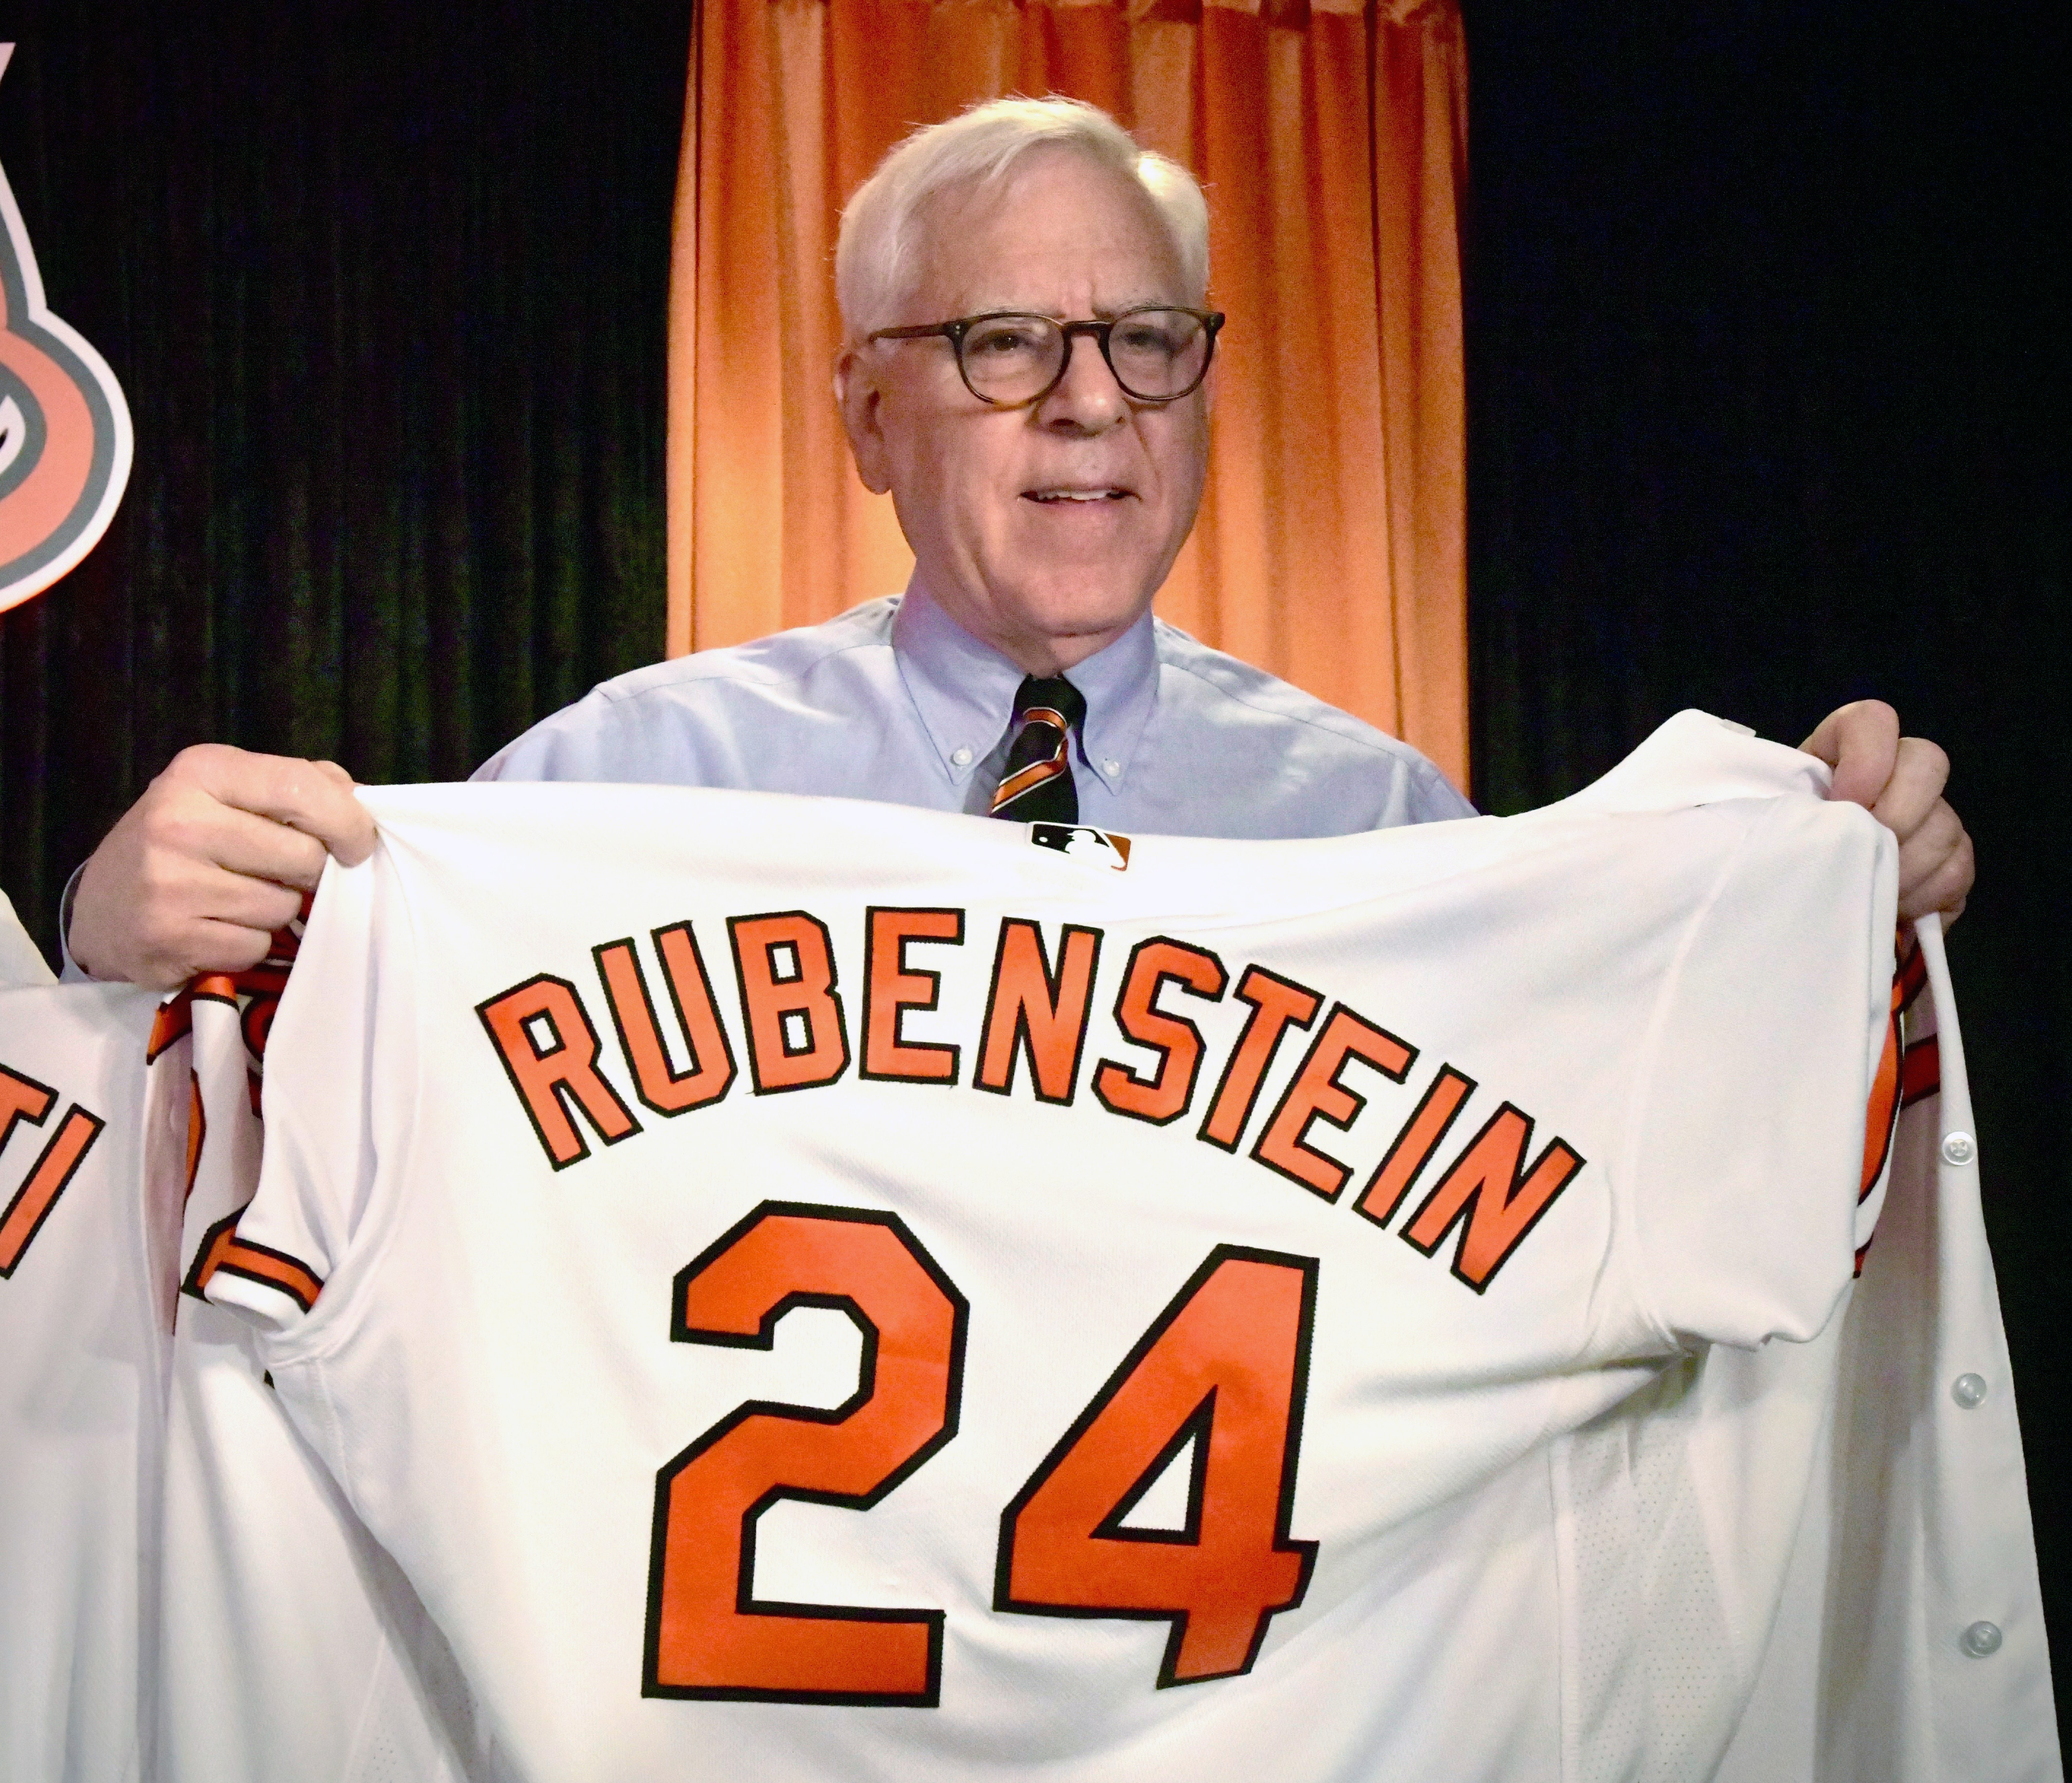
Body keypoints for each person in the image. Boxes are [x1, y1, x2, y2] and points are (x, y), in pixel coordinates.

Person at [63, 97, 1973, 990]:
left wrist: (1815, 923)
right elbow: (327, 1082)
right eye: (1002, 341)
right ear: (867, 415)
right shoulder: (625, 774)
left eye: (1148, 339)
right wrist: (120, 942)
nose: (1090, 402)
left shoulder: (1390, 822)